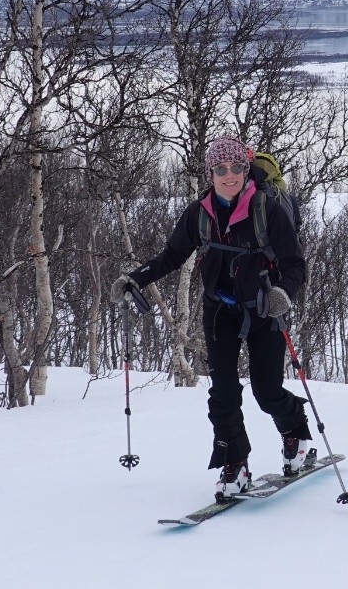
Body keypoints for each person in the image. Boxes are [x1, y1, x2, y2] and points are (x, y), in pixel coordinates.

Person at [111, 136, 311, 498]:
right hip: (219, 309)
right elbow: (171, 256)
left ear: (245, 168)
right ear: (211, 172)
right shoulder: (199, 212)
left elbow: (295, 264)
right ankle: (234, 462)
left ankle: (295, 430)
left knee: (266, 391)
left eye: (236, 167)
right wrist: (133, 279)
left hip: (265, 309)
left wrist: (282, 293)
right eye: (221, 169)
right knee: (222, 393)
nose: (229, 175)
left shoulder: (267, 209)